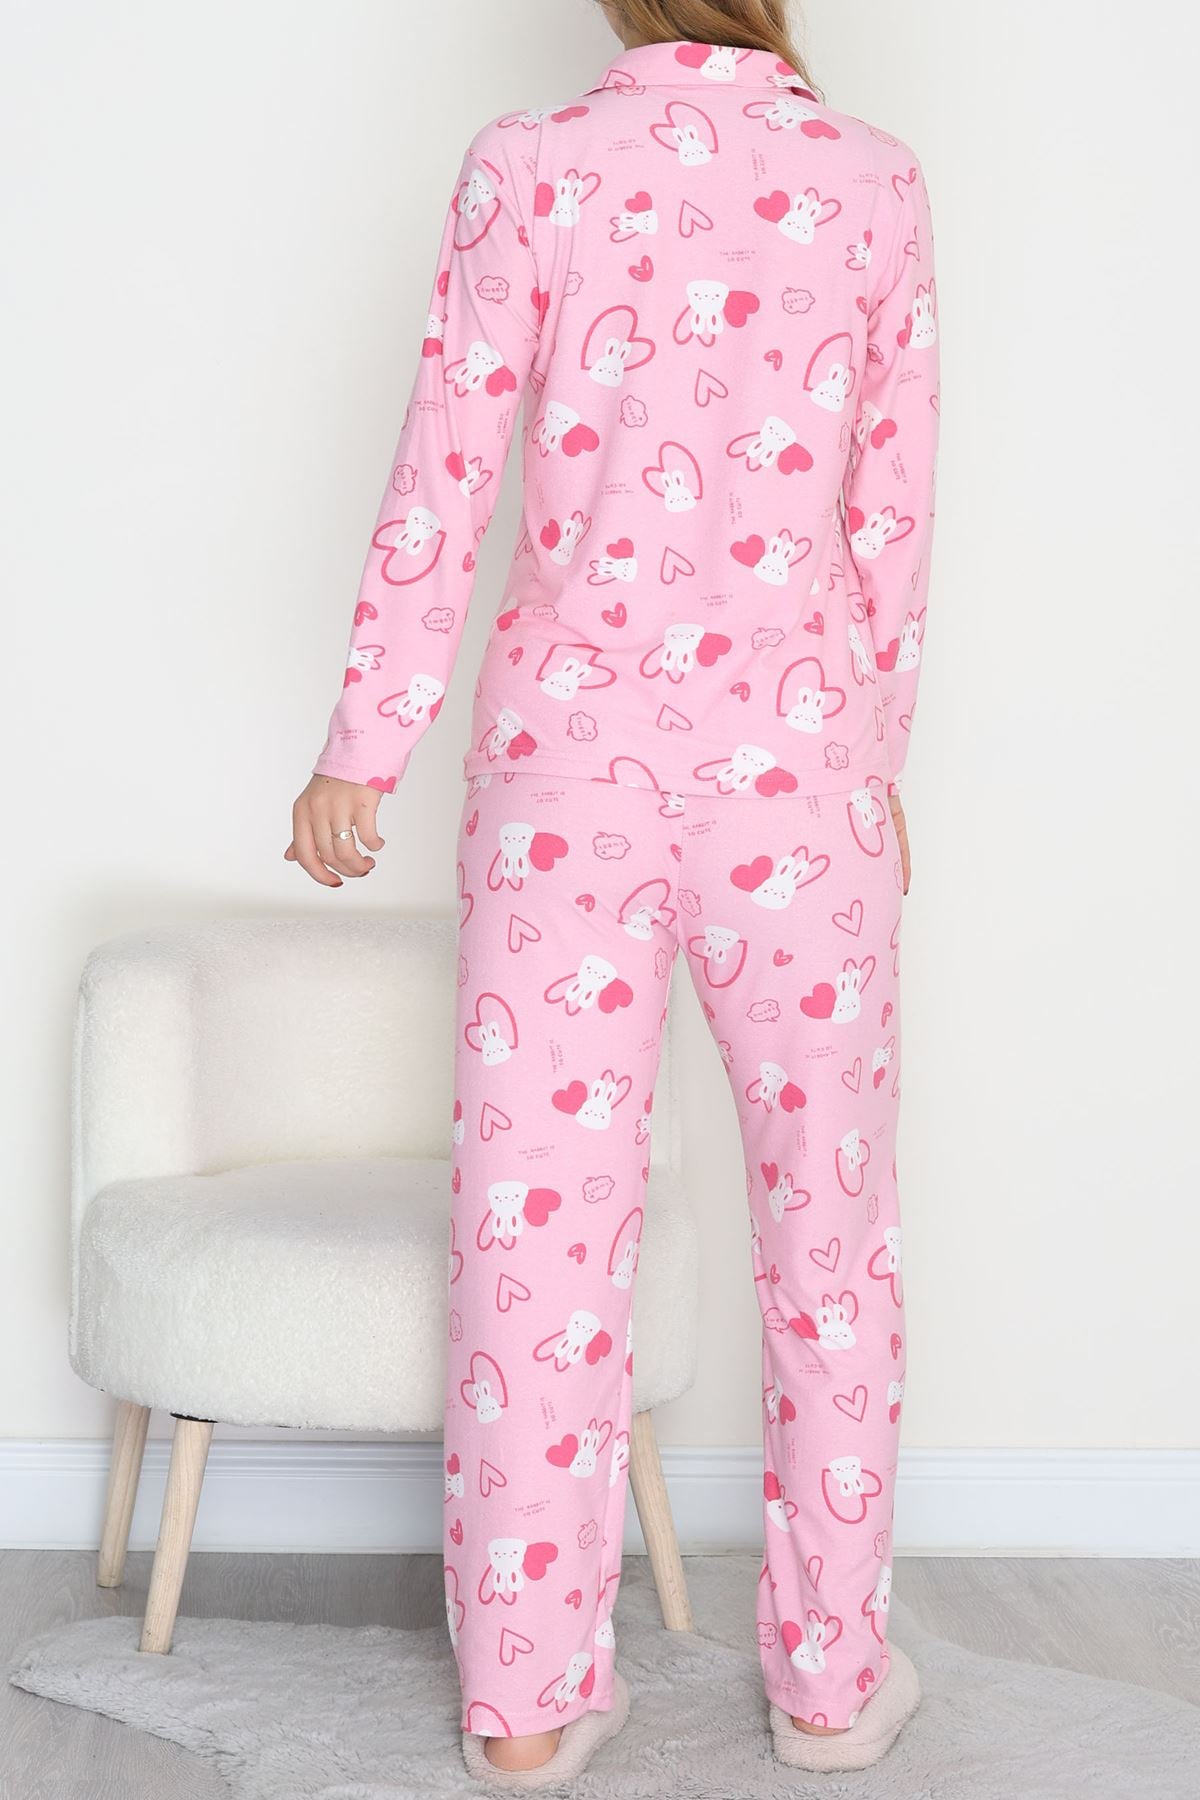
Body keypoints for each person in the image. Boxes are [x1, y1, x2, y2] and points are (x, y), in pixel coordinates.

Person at [287, 0, 939, 1784]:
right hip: (798, 782)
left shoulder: (533, 166)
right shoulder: (875, 183)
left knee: (535, 1237)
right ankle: (829, 1688)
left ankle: (526, 1703)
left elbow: (446, 470)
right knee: (829, 1240)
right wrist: (872, 756)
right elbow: (890, 521)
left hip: (563, 781)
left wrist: (364, 747)